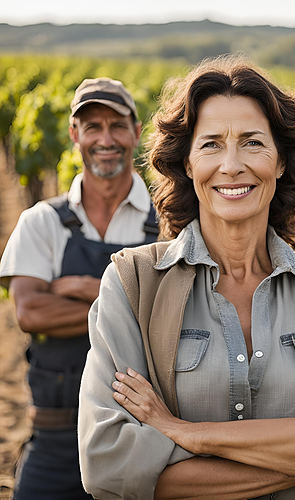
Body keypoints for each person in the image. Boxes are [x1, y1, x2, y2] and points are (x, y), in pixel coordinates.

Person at [78, 56, 295, 500]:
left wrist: (188, 435)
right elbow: (109, 465)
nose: (232, 165)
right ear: (188, 163)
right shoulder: (133, 283)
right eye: (211, 144)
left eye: (252, 143)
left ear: (280, 163)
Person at [0, 77, 158, 500]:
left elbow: (177, 318)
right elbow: (30, 313)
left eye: (117, 125)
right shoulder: (41, 222)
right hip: (56, 437)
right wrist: (133, 301)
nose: (106, 139)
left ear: (136, 131)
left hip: (147, 436)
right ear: (75, 134)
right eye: (92, 127)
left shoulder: (169, 224)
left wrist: (89, 287)